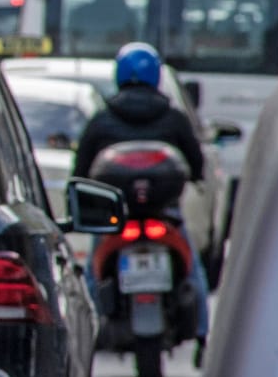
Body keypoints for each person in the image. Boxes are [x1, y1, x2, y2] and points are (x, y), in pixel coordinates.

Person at [73, 42, 209, 353]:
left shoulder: (102, 119)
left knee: (94, 270)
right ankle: (202, 331)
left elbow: (81, 168)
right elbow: (196, 161)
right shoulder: (174, 118)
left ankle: (89, 330)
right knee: (192, 268)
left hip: (116, 218)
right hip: (164, 213)